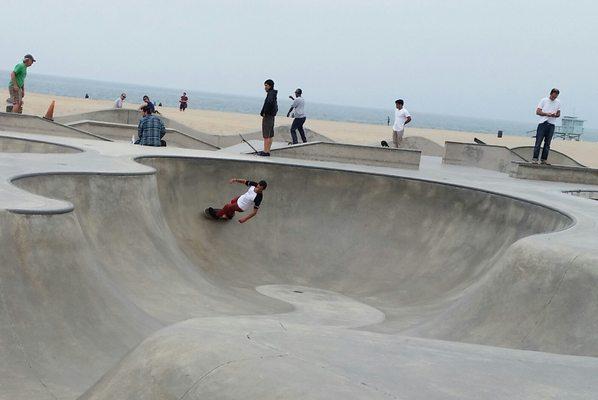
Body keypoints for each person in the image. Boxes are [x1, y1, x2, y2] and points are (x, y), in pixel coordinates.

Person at [533, 88, 561, 164]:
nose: (554, 98)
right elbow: (538, 111)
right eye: (553, 96)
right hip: (543, 123)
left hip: (551, 124)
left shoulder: (558, 102)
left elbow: (559, 113)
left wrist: (555, 115)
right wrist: (546, 114)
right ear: (550, 94)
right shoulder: (544, 100)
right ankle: (535, 158)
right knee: (538, 142)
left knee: (547, 143)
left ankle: (544, 159)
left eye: (555, 97)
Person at [259, 79, 278, 156]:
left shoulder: (271, 94)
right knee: (270, 134)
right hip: (271, 116)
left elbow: (269, 103)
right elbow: (276, 106)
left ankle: (265, 151)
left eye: (266, 85)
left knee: (266, 134)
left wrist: (264, 112)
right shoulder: (273, 94)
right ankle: (267, 151)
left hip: (268, 116)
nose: (265, 87)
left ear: (270, 86)